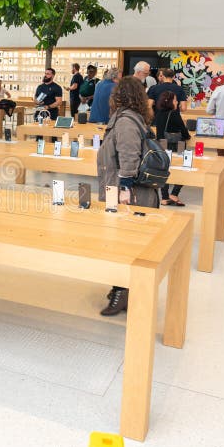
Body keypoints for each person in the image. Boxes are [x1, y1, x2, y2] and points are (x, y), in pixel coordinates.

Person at [97, 76, 159, 316]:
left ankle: (122, 292)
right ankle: (120, 289)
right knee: (124, 243)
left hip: (127, 194)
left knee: (122, 244)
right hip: (128, 191)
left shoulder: (125, 122)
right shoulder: (134, 119)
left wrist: (124, 190)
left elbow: (129, 158)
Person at [154, 91, 190, 206]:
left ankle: (164, 197)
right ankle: (174, 194)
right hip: (176, 145)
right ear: (170, 102)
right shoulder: (174, 114)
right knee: (183, 167)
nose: (177, 102)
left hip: (162, 144)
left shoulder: (158, 113)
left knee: (164, 169)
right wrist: (187, 136)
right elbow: (184, 132)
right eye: (175, 100)